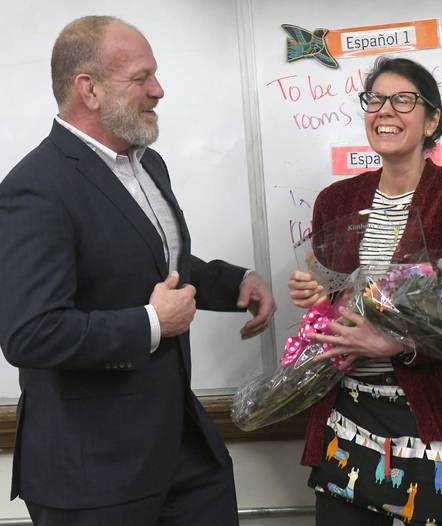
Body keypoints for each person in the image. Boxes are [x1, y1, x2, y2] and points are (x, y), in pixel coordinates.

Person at [0, 16, 276, 526]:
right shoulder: (36, 189)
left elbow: (150, 263)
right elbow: (29, 333)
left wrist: (231, 282)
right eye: (142, 77)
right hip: (96, 476)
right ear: (90, 90)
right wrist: (150, 323)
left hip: (182, 453)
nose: (158, 90)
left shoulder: (148, 165)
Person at [288, 57, 442, 526]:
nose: (385, 110)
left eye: (404, 100)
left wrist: (399, 345)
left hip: (436, 418)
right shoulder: (336, 201)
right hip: (349, 414)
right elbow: (334, 301)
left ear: (432, 120)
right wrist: (316, 297)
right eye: (375, 99)